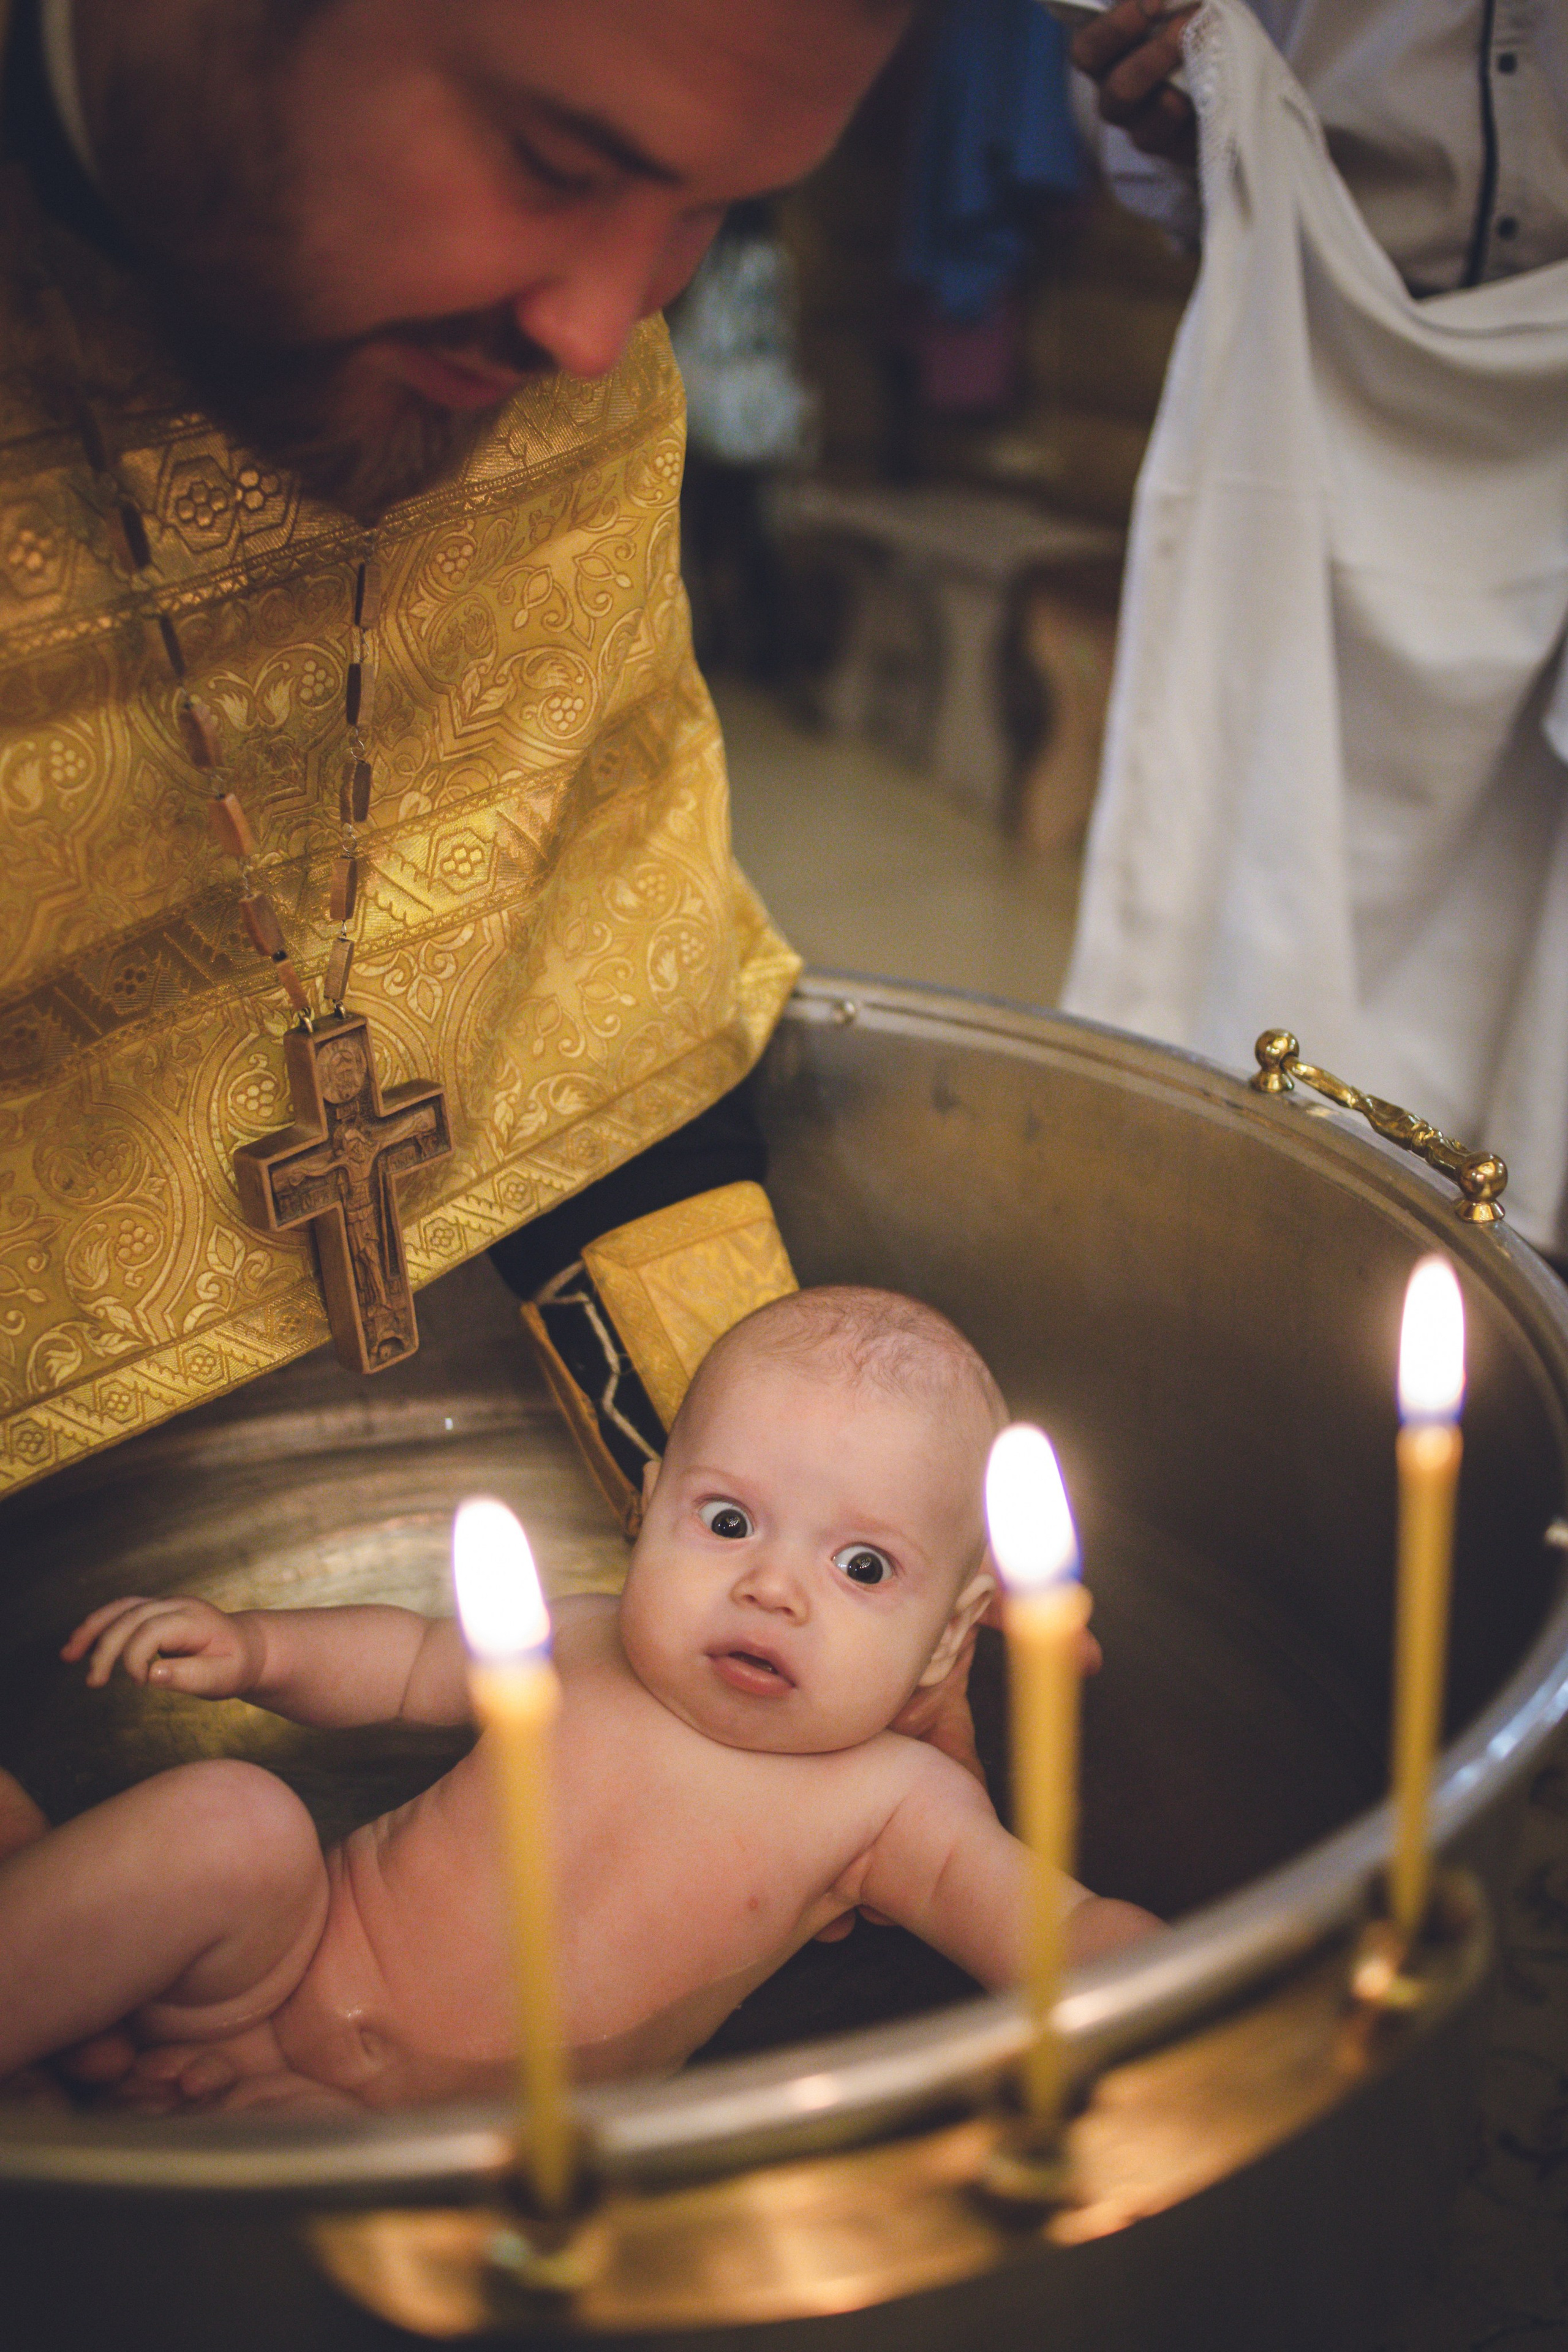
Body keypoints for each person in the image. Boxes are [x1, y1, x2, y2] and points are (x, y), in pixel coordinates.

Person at [0, 0, 913, 1505]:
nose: (597, 330)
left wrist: (794, 1549)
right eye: (552, 165)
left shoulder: (552, 332)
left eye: (714, 211)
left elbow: (587, 933)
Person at [0, 1285, 1156, 2114]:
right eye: (728, 1521)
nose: (771, 1587)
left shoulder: (893, 1805)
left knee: (342, 2216)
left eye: (863, 1568)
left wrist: (1201, 1976)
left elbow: (1049, 1929)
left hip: (451, 2136)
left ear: (951, 1635)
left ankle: (73, 2125)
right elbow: (404, 1660)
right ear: (646, 1510)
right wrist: (255, 1651)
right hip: (277, 1966)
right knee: (230, 1823)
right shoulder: (588, 1638)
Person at [1061, 0, 1568, 1256]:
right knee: (1252, 849)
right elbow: (1115, 51)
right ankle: (1276, 1254)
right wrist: (1177, 108)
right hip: (1304, 318)